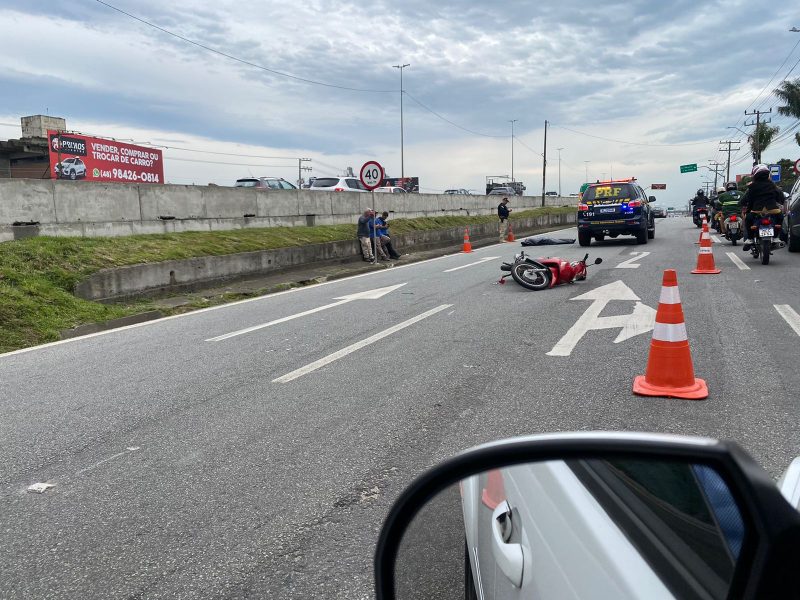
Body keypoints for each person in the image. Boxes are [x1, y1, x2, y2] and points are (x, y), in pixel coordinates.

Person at [741, 164, 784, 249]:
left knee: (748, 219)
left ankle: (750, 239)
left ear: (755, 175)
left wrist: (748, 210)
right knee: (780, 217)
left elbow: (748, 200)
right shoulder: (773, 185)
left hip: (757, 210)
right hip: (772, 209)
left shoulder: (752, 186)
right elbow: (780, 197)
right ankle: (776, 237)